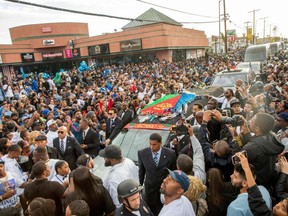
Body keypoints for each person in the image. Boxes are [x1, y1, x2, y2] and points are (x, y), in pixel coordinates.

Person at [239, 112, 285, 188]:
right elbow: (258, 143)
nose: (249, 121)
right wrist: (247, 134)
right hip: (268, 181)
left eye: (252, 121)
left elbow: (238, 160)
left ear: (257, 129)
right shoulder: (272, 136)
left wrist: (234, 139)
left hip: (255, 185)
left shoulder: (252, 147)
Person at [138, 133, 176, 215]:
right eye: (150, 144)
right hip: (149, 190)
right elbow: (141, 172)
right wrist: (140, 187)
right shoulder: (142, 153)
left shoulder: (171, 154)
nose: (152, 147)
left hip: (163, 189)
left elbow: (173, 172)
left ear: (160, 143)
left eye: (154, 145)